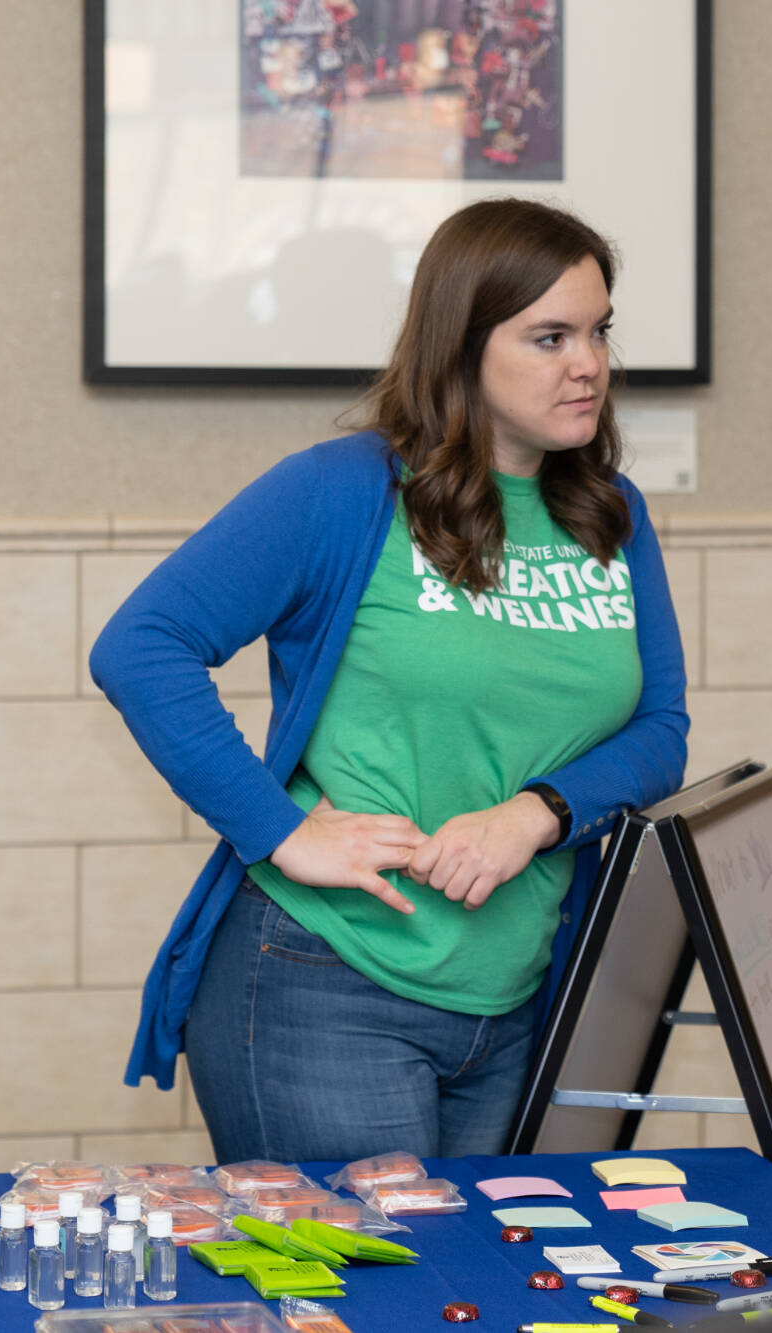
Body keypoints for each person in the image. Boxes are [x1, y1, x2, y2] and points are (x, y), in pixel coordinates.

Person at [92, 198, 689, 1163]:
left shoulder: (611, 512)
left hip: (515, 998)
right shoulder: (345, 489)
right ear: (461, 345)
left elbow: (661, 728)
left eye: (596, 331)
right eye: (549, 336)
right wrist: (281, 829)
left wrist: (535, 811)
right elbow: (141, 645)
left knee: (469, 1308)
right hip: (320, 983)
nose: (589, 363)